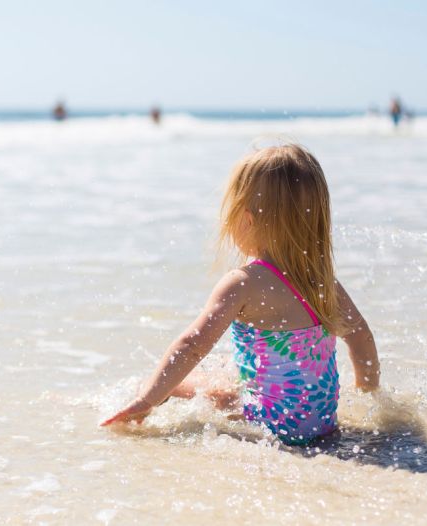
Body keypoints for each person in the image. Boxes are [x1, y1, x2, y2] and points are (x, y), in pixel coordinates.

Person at [101, 144, 381, 445]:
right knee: (227, 368)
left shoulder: (243, 283)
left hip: (270, 427)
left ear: (246, 220)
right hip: (322, 426)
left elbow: (193, 345)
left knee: (176, 386)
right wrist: (369, 395)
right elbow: (361, 337)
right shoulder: (323, 282)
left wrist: (147, 399)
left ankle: (127, 401)